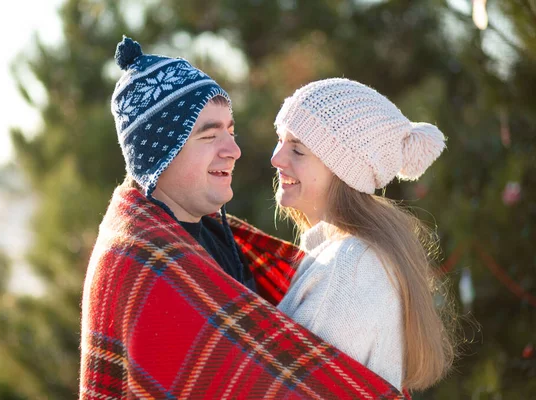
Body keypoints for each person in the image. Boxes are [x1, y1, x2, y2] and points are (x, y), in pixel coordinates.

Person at [80, 37, 407, 399]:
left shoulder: (222, 241)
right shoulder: (141, 266)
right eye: (210, 136)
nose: (233, 150)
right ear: (161, 154)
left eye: (231, 132)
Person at [272, 78, 456, 392]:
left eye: (297, 150)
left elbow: (290, 391)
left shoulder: (349, 267)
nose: (276, 158)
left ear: (342, 170)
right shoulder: (346, 255)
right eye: (280, 139)